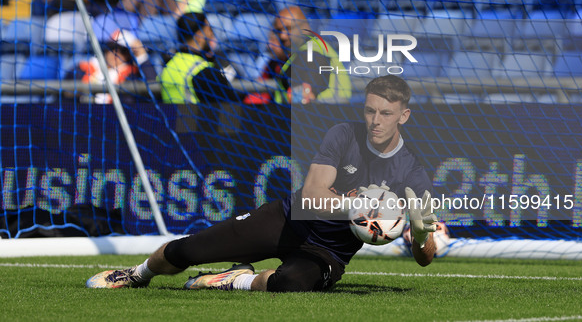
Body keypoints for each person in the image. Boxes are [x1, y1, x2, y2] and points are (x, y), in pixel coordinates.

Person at [86, 75, 438, 292]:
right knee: (186, 251)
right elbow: (312, 194)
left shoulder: (412, 172)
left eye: (386, 114)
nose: (375, 121)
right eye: (369, 111)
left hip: (328, 252)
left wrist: (421, 236)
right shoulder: (344, 135)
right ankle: (137, 274)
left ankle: (233, 280)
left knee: (290, 284)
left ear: (403, 116)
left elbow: (425, 259)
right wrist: (357, 206)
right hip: (286, 221)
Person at [244, 6, 352, 105]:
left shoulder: (311, 54)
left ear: (304, 27)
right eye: (279, 30)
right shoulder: (300, 52)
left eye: (288, 29)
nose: (283, 36)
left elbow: (306, 94)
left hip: (325, 119)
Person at [159, 12, 242, 104]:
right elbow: (233, 109)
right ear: (199, 36)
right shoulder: (206, 73)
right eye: (209, 30)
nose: (212, 34)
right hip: (196, 117)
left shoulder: (167, 66)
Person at [66, 29, 157, 103]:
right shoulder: (83, 68)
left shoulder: (132, 75)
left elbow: (153, 89)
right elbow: (65, 93)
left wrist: (142, 56)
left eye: (122, 51)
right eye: (113, 48)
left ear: (129, 55)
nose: (116, 54)